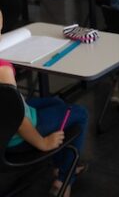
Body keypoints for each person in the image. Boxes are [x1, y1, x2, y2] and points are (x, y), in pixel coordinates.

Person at [0, 15, 88, 197]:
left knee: (55, 102)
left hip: (8, 120)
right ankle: (64, 178)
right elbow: (19, 121)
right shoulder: (2, 71)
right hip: (14, 137)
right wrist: (43, 142)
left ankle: (59, 163)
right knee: (80, 113)